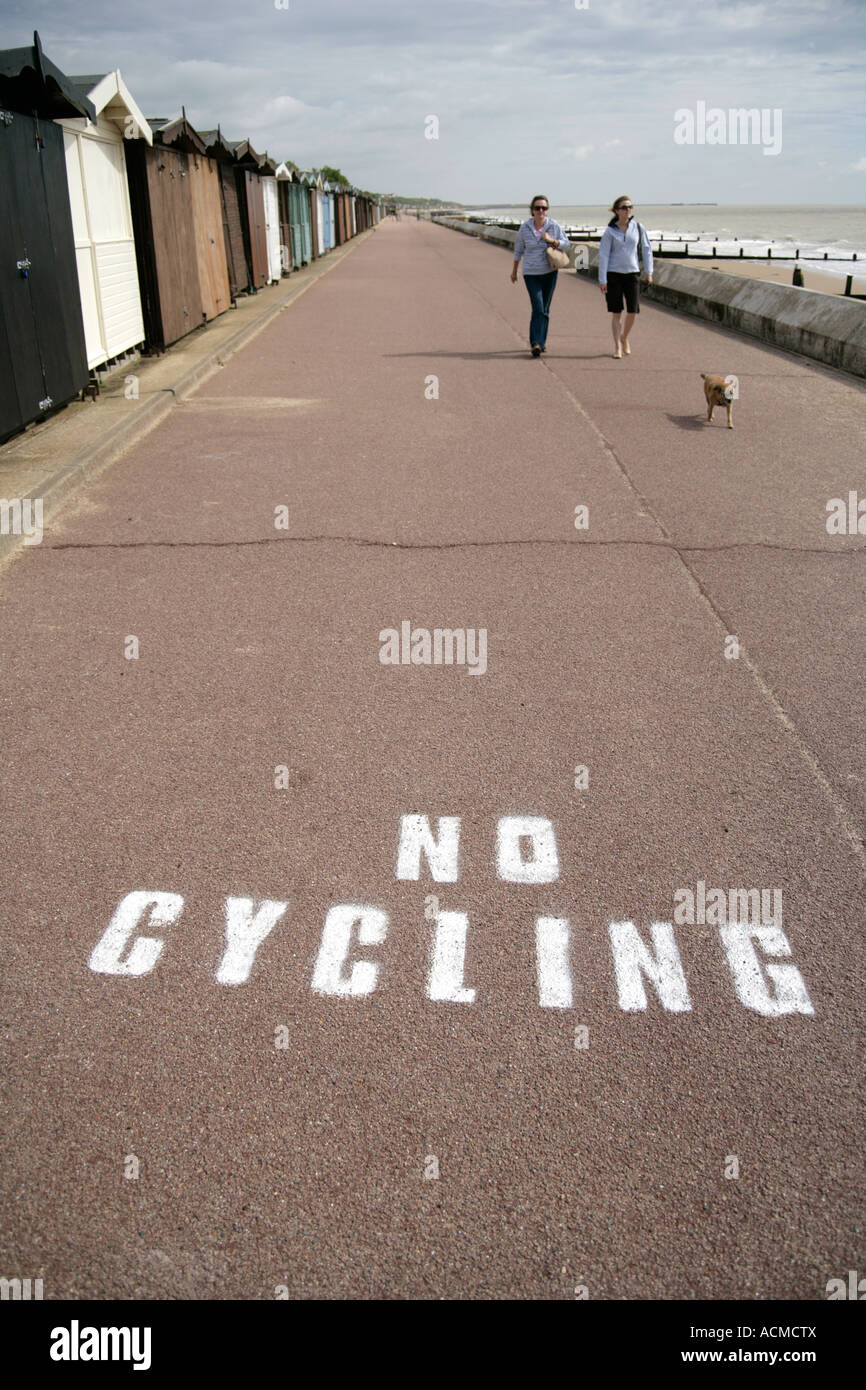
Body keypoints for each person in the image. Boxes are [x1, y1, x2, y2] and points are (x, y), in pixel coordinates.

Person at [511, 196, 570, 357]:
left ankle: (541, 343)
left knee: (544, 308)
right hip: (531, 273)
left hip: (550, 272)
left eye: (544, 208)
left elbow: (567, 244)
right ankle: (535, 342)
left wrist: (552, 240)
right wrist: (514, 270)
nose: (541, 211)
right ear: (532, 210)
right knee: (537, 306)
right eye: (537, 208)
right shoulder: (525, 228)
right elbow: (518, 250)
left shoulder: (553, 226)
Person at [597, 196, 653, 358]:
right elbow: (604, 256)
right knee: (616, 312)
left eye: (630, 207)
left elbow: (646, 250)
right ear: (616, 211)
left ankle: (625, 337)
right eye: (624, 207)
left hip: (632, 273)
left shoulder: (638, 228)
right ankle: (617, 347)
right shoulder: (610, 231)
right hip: (613, 274)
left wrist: (649, 272)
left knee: (633, 311)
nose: (628, 210)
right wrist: (603, 280)